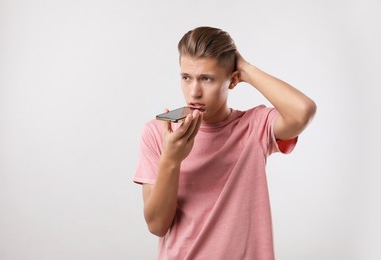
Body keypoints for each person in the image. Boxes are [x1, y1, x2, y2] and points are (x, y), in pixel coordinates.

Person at [134, 26, 316, 260]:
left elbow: (303, 111)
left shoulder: (254, 126)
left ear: (232, 80)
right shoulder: (158, 133)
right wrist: (171, 159)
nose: (194, 92)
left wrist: (245, 68)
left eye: (206, 79)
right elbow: (157, 225)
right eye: (186, 77)